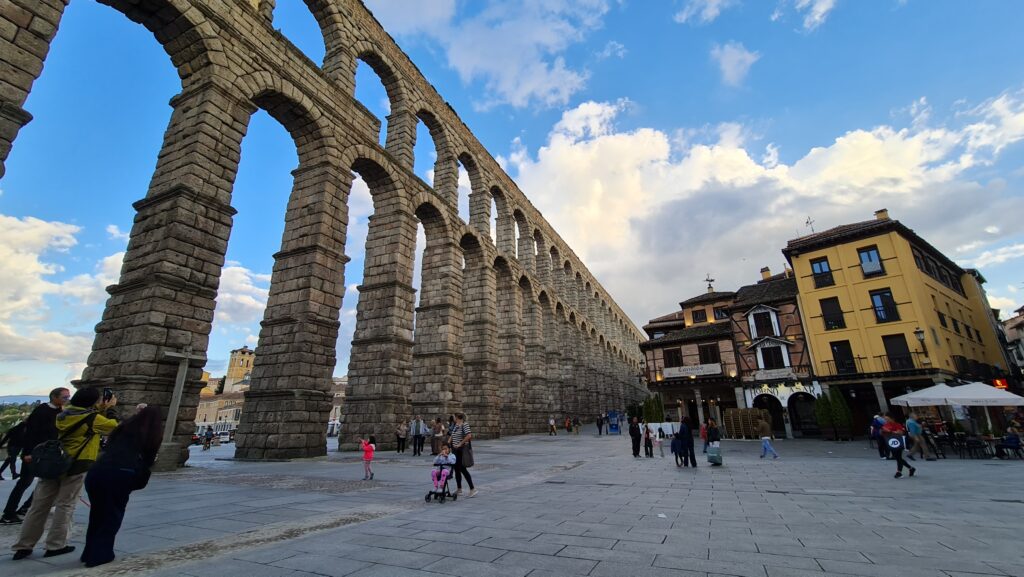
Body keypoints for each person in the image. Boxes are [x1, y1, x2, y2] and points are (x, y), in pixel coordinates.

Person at [13, 386, 118, 560]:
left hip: (53, 463)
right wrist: (111, 408)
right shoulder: (93, 418)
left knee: (38, 506)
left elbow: (83, 416)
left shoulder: (63, 413)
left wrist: (99, 408)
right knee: (65, 505)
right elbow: (114, 427)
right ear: (91, 402)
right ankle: (55, 545)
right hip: (76, 464)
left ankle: (23, 546)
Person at [80, 405, 161, 567]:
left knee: (97, 514)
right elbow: (148, 460)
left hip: (97, 471)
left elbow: (108, 446)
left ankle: (88, 552)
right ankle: (99, 555)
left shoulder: (123, 426)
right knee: (112, 515)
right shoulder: (150, 433)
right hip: (120, 474)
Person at [2, 387, 70, 525]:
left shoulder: (59, 412)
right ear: (54, 397)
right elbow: (31, 434)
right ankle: (9, 514)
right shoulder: (42, 411)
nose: (67, 399)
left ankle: (25, 508)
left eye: (68, 397)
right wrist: (27, 453)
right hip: (35, 454)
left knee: (49, 482)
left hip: (48, 454)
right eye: (65, 397)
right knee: (24, 483)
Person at [450, 413, 477, 497]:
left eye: (454, 416)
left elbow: (469, 435)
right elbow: (453, 435)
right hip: (455, 450)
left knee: (462, 469)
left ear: (458, 417)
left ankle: (472, 489)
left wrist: (460, 444)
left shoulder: (464, 425)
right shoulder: (456, 425)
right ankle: (459, 489)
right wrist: (449, 442)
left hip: (461, 450)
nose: (453, 418)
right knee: (457, 469)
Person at [881, 413, 915, 479]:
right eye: (885, 419)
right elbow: (882, 433)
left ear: (892, 418)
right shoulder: (885, 425)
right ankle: (911, 468)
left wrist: (891, 431)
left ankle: (899, 472)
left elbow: (901, 432)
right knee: (898, 458)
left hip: (898, 442)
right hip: (891, 443)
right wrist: (883, 431)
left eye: (887, 419)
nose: (886, 420)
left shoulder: (897, 424)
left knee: (898, 457)